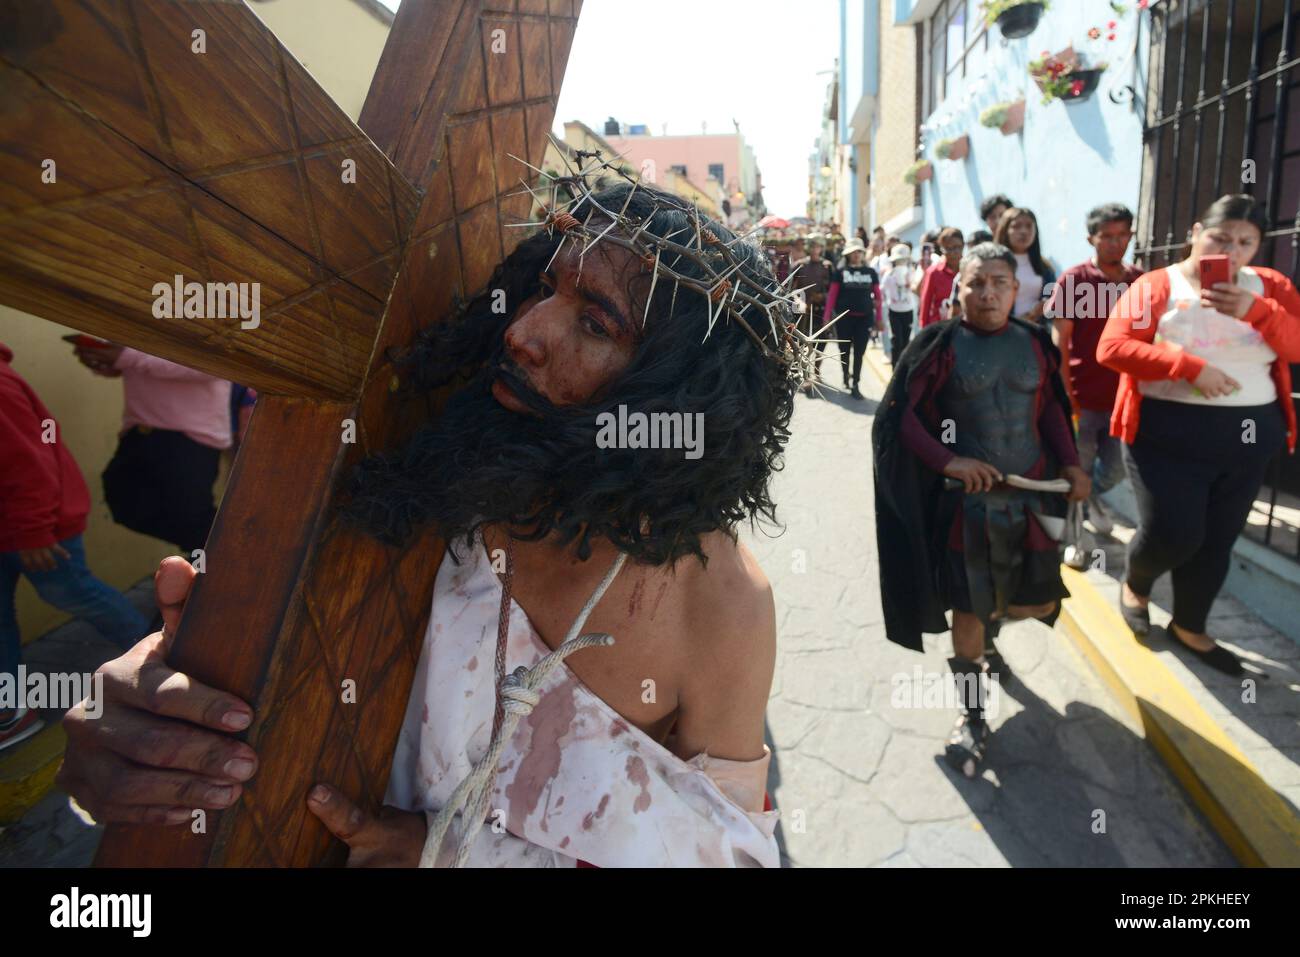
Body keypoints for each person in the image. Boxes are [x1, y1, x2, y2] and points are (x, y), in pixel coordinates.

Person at [57, 181, 797, 867]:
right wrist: (155, 697)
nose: (523, 332)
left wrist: (447, 852)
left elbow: (716, 853)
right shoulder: (431, 473)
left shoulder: (721, 602)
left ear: (677, 398)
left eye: (595, 322)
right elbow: (252, 655)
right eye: (544, 288)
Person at [873, 242, 1089, 775]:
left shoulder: (1036, 343)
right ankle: (973, 716)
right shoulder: (936, 345)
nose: (988, 292)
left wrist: (1072, 463)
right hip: (969, 511)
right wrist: (949, 461)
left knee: (1037, 603)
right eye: (977, 283)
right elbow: (900, 420)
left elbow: (1051, 413)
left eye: (999, 282)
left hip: (1031, 498)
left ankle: (989, 635)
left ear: (1017, 290)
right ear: (958, 289)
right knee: (968, 613)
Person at [1098, 193, 1300, 675]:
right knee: (1175, 534)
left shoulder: (1270, 286)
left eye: (1246, 242)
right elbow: (1112, 347)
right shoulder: (1157, 285)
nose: (1232, 250)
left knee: (1216, 541)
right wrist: (1187, 366)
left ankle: (1190, 626)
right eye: (1220, 236)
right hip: (1167, 436)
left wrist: (1258, 311)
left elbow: (1295, 346)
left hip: (1249, 438)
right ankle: (1137, 580)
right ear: (1194, 232)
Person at [1, 342, 151, 751]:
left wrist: (33, 532)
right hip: (17, 527)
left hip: (39, 529)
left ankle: (156, 656)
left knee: (75, 593)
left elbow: (28, 463)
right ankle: (8, 710)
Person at [1047, 203, 1143, 566]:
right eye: (1107, 236)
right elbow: (1062, 341)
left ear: (1131, 235)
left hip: (1124, 398)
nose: (1115, 243)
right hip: (1082, 398)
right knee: (1078, 469)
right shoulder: (1075, 280)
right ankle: (1075, 538)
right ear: (1091, 238)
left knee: (1117, 467)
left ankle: (1091, 499)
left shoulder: (1138, 281)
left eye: (1122, 235)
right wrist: (1065, 394)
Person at [74, 343, 232, 557]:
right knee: (125, 504)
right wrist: (112, 362)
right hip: (140, 431)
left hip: (189, 437)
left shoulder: (210, 313)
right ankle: (218, 558)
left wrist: (129, 358)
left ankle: (223, 566)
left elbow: (214, 363)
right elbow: (139, 359)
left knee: (193, 520)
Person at [823, 237, 883, 398]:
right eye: (853, 252)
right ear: (848, 255)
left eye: (859, 251)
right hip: (844, 319)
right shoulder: (840, 273)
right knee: (844, 350)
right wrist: (827, 317)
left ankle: (856, 383)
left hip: (864, 319)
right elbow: (832, 296)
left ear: (862, 253)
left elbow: (878, 297)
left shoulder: (870, 273)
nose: (856, 254)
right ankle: (845, 376)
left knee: (859, 352)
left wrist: (879, 319)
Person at [993, 207, 1056, 325]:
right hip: (1001, 332)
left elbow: (1053, 304)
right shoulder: (993, 264)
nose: (1023, 231)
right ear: (1005, 230)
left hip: (1035, 333)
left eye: (1029, 226)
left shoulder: (1045, 267)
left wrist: (1042, 309)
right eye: (1016, 226)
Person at [793, 235, 835, 387]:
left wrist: (822, 296)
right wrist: (799, 302)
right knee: (802, 343)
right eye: (812, 245)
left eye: (818, 246)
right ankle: (804, 374)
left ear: (821, 247)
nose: (815, 248)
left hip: (821, 310)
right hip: (803, 312)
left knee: (821, 343)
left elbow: (833, 290)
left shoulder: (827, 266)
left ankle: (816, 371)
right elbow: (791, 290)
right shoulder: (800, 265)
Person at [917, 227, 963, 328]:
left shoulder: (968, 271)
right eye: (949, 248)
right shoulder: (933, 272)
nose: (954, 252)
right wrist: (924, 329)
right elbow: (926, 303)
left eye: (958, 247)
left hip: (962, 327)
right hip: (939, 328)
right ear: (942, 249)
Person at [881, 243, 916, 365]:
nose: (901, 263)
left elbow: (916, 288)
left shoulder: (911, 272)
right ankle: (895, 367)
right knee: (897, 341)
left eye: (903, 260)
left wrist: (909, 284)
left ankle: (904, 368)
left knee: (906, 342)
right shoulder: (889, 274)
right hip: (894, 310)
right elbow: (881, 290)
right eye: (898, 260)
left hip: (908, 310)